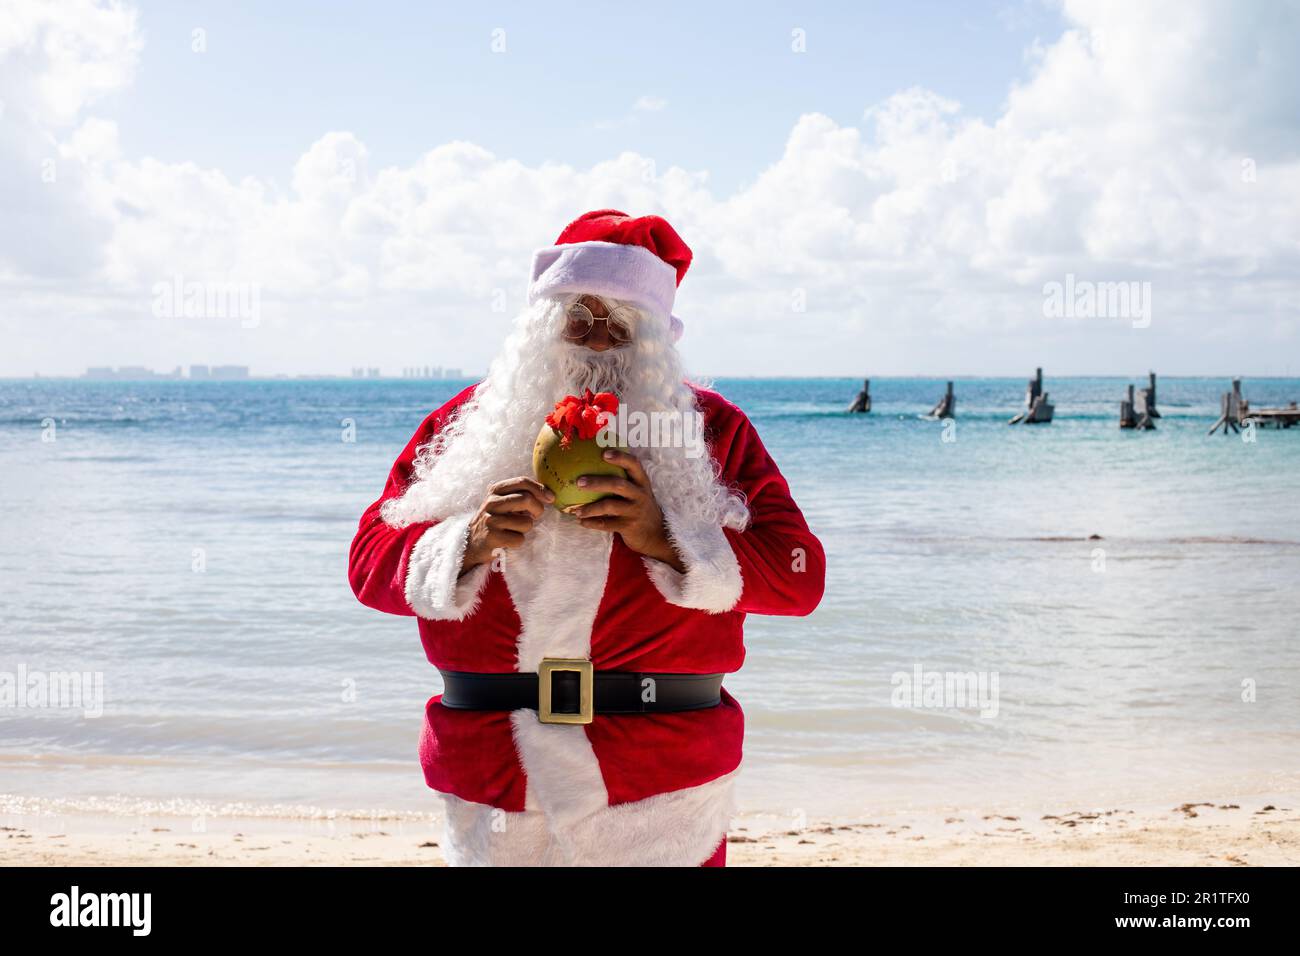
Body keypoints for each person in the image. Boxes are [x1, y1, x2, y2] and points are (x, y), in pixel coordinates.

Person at [348, 209, 825, 865]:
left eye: (620, 327)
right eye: (579, 320)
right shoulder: (466, 426)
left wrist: (666, 536)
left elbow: (800, 580)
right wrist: (468, 541)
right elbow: (367, 565)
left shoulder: (713, 431)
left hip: (661, 797)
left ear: (654, 339)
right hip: (497, 790)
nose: (598, 342)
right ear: (542, 327)